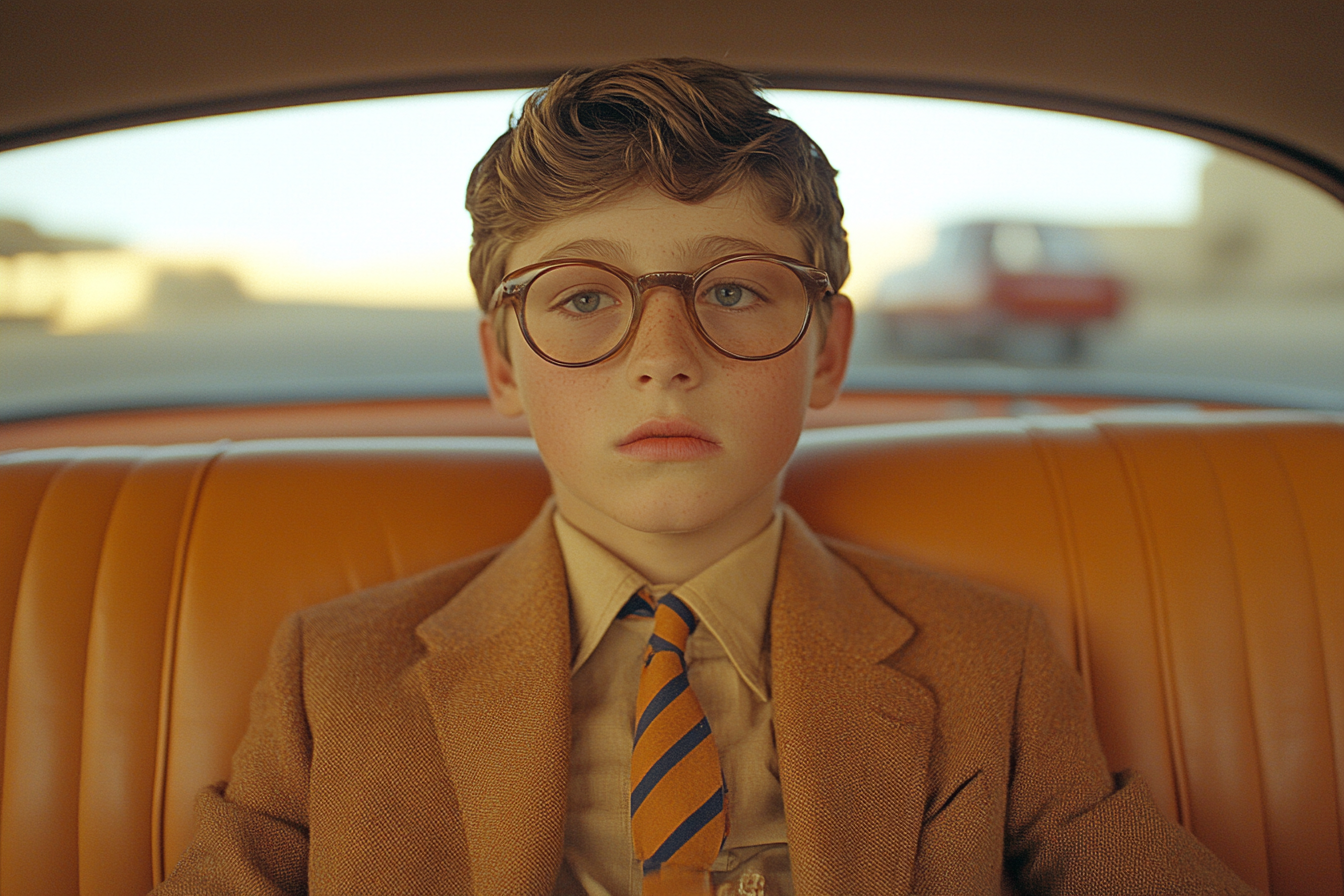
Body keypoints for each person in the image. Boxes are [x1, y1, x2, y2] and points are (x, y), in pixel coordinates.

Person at [154, 58, 1255, 895]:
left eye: (734, 291)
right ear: (502, 362)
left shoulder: (987, 659)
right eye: (585, 297)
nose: (663, 352)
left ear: (827, 353)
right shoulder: (337, 673)